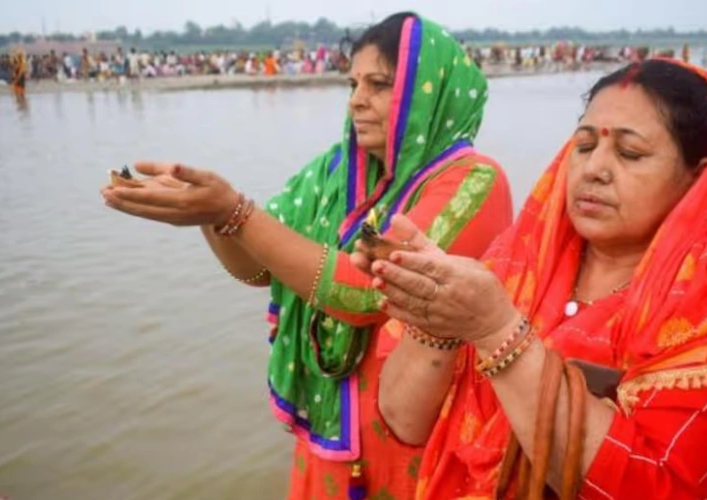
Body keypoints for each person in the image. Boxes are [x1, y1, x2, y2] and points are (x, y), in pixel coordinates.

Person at [361, 59, 707, 499]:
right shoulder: (515, 264)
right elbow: (405, 423)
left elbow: (658, 488)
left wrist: (497, 333)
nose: (594, 169)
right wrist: (434, 316)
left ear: (699, 177)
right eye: (583, 146)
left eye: (630, 153)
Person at [101, 12, 513, 500]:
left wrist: (234, 210)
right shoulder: (335, 171)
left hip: (423, 440)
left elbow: (366, 293)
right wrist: (209, 217)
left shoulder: (472, 180)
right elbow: (257, 268)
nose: (357, 99)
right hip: (332, 433)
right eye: (353, 82)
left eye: (380, 84)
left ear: (432, 91)